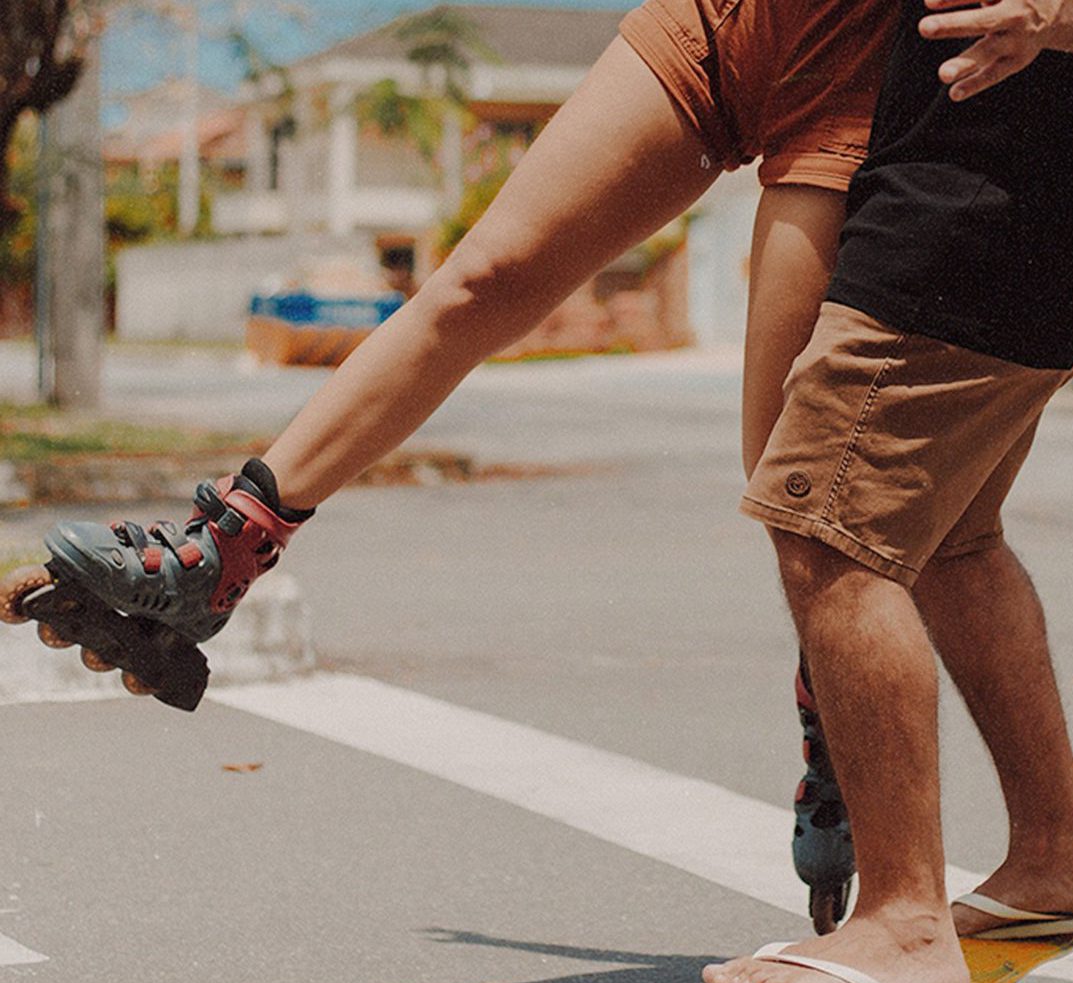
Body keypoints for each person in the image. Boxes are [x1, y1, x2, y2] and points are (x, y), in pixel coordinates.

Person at [1, 0, 891, 710]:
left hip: (857, 53)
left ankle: (836, 704)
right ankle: (224, 551)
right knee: (481, 278)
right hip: (715, 15)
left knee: (789, 471)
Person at [702, 0, 1073, 983]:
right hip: (1043, 231)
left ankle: (903, 923)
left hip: (966, 231)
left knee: (827, 533)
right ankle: (1059, 850)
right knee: (954, 541)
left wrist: (1046, 16)